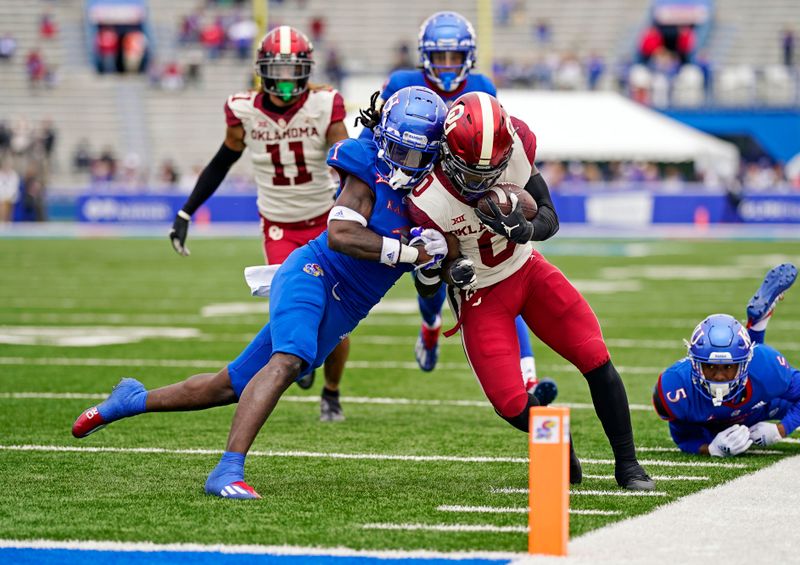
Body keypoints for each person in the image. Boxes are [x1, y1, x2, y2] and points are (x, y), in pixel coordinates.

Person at [72, 86, 450, 499]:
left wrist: (434, 262)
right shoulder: (366, 168)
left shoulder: (434, 198)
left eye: (415, 155)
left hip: (348, 309)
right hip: (314, 273)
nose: (403, 163)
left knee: (226, 386)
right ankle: (227, 470)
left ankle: (128, 401)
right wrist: (410, 252)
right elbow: (341, 235)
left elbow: (429, 277)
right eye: (397, 150)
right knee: (288, 362)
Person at [407, 92, 654, 490]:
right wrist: (451, 269)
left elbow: (549, 216)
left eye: (493, 171)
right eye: (473, 174)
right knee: (509, 402)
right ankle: (558, 438)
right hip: (481, 293)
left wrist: (525, 230)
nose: (484, 181)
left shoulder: (516, 141)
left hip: (527, 270)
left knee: (595, 356)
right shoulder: (427, 196)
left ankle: (628, 464)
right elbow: (438, 272)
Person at [358, 12, 548, 404]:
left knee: (504, 269)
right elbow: (373, 143)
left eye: (453, 56)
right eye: (439, 56)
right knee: (429, 269)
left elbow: (494, 138)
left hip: (466, 189)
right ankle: (430, 323)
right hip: (416, 194)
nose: (447, 65)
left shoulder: (482, 86)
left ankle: (528, 378)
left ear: (469, 56)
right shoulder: (400, 83)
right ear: (425, 56)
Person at [168, 26, 352, 421]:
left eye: (293, 72)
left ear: (306, 71)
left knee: (337, 319)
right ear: (262, 71)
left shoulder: (325, 104)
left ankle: (331, 392)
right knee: (290, 312)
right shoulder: (242, 109)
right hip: (279, 227)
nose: (285, 82)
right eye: (277, 72)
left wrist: (351, 209)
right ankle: (303, 360)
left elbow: (345, 162)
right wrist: (187, 210)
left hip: (324, 221)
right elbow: (222, 161)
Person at [653, 263, 799, 457]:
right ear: (694, 363)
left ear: (745, 363)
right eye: (710, 366)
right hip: (715, 424)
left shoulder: (766, 367)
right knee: (707, 430)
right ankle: (756, 326)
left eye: (728, 367)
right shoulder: (676, 388)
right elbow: (685, 438)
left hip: (763, 407)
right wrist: (711, 448)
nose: (719, 376)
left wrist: (781, 429)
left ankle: (757, 326)